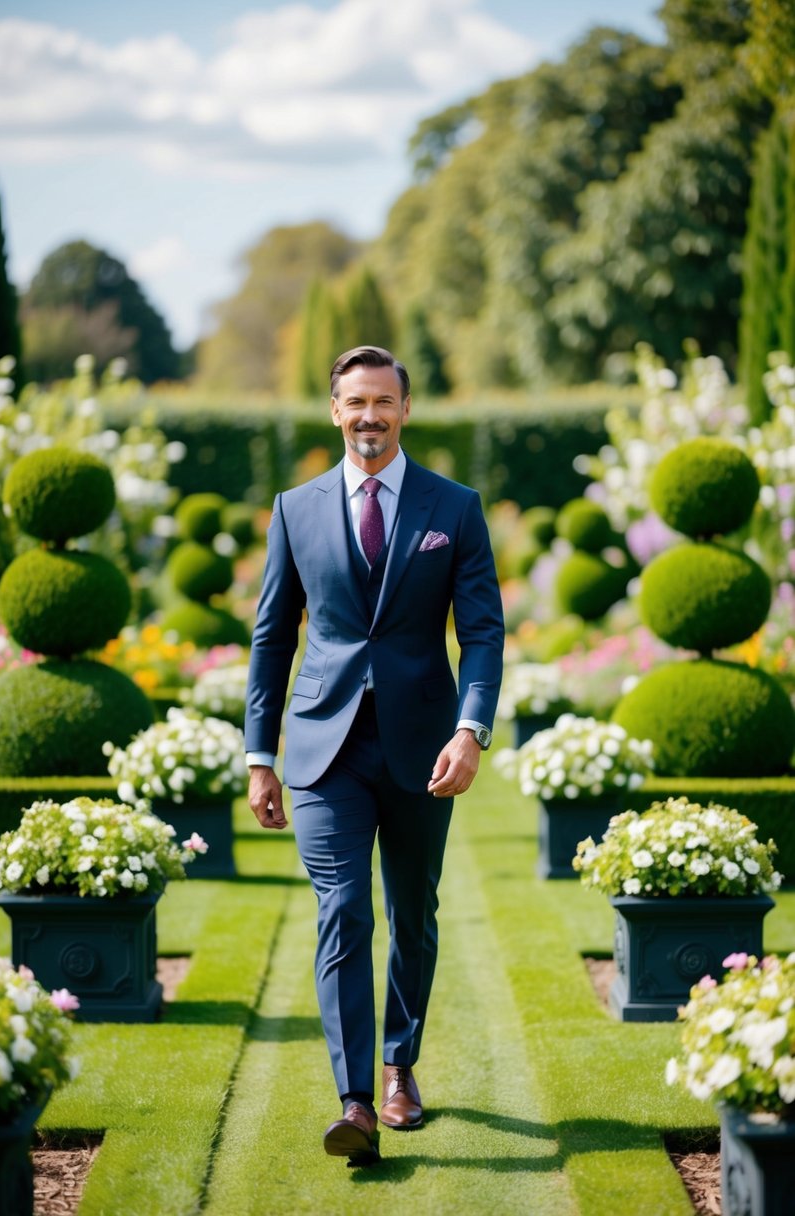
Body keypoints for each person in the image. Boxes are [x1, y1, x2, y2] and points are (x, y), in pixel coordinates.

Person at [244, 345, 504, 1166]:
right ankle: (355, 1099)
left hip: (423, 748)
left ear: (404, 408)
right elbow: (270, 635)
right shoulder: (295, 508)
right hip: (323, 750)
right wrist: (259, 752)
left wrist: (470, 730)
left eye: (382, 403)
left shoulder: (454, 508)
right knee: (343, 910)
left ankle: (400, 1066)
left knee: (413, 916)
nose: (368, 417)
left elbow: (484, 633)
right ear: (334, 411)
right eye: (354, 403)